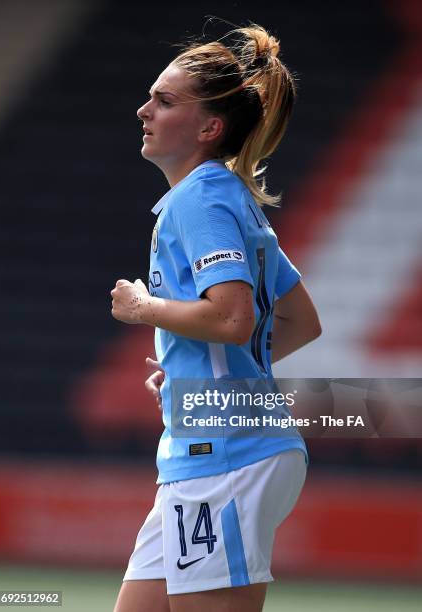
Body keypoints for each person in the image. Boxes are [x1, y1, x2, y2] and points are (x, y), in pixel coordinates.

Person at [111, 21, 321, 612]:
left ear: (209, 127)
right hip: (214, 449)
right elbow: (300, 322)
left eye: (165, 100)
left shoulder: (198, 201)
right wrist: (198, 377)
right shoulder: (227, 197)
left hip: (225, 456)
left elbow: (231, 320)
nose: (143, 108)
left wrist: (143, 308)